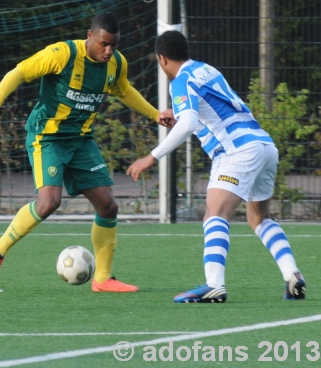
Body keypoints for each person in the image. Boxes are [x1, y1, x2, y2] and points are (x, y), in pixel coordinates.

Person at [0, 11, 171, 292]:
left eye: (114, 45)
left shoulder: (116, 63)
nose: (109, 50)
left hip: (80, 139)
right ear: (90, 36)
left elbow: (124, 89)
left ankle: (102, 279)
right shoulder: (61, 54)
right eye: (104, 43)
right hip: (48, 137)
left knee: (108, 205)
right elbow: (19, 71)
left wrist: (155, 115)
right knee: (49, 203)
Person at [127, 30, 306, 303]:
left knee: (214, 213)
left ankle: (214, 284)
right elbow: (213, 108)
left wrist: (152, 156)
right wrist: (177, 114)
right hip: (264, 146)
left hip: (236, 151)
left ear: (162, 59)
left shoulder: (180, 81)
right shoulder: (205, 69)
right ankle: (292, 274)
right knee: (258, 218)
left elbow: (188, 123)